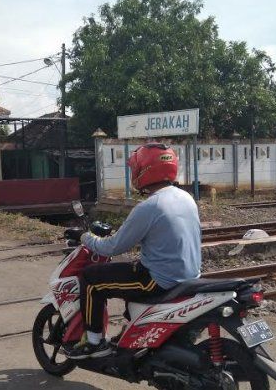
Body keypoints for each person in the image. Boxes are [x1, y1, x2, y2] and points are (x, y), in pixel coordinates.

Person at [66, 143, 202, 359]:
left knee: (91, 279)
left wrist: (84, 237)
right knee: (128, 271)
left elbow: (113, 246)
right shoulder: (186, 198)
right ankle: (131, 332)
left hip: (159, 280)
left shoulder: (150, 206)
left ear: (144, 170)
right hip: (189, 277)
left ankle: (94, 343)